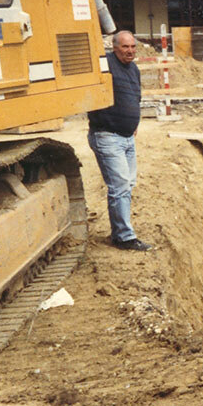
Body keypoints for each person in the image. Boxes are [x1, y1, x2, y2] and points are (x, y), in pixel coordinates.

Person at [88, 30, 151, 251]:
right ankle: (124, 237)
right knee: (120, 186)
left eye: (133, 47)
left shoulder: (133, 69)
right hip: (107, 136)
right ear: (114, 47)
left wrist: (134, 123)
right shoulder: (105, 64)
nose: (130, 51)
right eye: (125, 47)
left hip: (126, 137)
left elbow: (136, 96)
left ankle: (119, 232)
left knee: (127, 184)